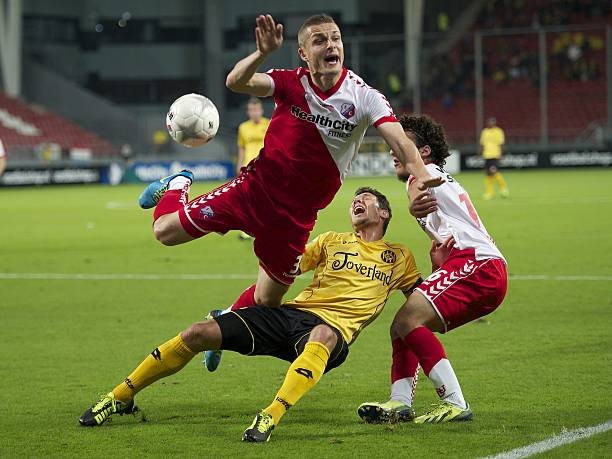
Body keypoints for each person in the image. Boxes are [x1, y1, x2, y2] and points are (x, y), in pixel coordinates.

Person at [137, 14, 440, 315]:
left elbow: (400, 141)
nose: (331, 45)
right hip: (255, 191)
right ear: (304, 53)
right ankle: (178, 182)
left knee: (268, 299)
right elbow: (236, 81)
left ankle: (223, 317)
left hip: (296, 217)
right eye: (320, 40)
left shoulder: (364, 97)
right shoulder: (291, 83)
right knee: (165, 232)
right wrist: (262, 52)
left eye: (335, 38)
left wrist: (422, 174)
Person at [79, 187, 424, 442]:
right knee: (197, 333)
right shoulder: (332, 240)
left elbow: (423, 303)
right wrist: (271, 234)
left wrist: (443, 264)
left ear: (384, 214)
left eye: (366, 200)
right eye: (354, 200)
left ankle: (269, 417)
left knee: (323, 335)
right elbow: (286, 265)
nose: (357, 202)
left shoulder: (399, 257)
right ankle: (120, 396)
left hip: (331, 333)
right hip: (290, 316)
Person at [358, 114, 507, 424]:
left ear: (422, 151)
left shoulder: (422, 172)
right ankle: (400, 402)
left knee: (408, 319)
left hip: (477, 264)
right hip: (474, 265)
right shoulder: (438, 174)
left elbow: (419, 187)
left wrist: (414, 204)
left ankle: (455, 402)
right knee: (401, 325)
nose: (392, 150)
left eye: (401, 143)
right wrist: (442, 258)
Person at [236, 97, 270, 240]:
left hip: (265, 166)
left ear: (261, 110)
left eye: (256, 109)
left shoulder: (269, 124)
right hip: (248, 167)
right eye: (251, 110)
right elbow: (242, 148)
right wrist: (239, 163)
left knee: (266, 199)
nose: (254, 112)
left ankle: (265, 227)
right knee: (247, 199)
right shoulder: (243, 127)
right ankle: (246, 230)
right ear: (248, 112)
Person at [479, 117, 509, 200]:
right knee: (488, 174)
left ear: (495, 123)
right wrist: (479, 153)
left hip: (495, 154)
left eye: (492, 122)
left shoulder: (499, 131)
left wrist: (501, 155)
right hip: (486, 155)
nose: (490, 123)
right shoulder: (484, 132)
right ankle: (489, 192)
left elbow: (501, 144)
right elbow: (482, 144)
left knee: (494, 171)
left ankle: (504, 188)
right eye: (489, 122)